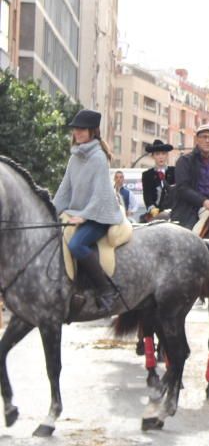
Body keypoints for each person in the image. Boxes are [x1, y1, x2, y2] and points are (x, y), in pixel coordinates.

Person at [52, 109, 124, 312]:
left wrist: (82, 216)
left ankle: (107, 289)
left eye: (82, 129)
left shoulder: (99, 157)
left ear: (93, 131)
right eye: (76, 129)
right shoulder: (74, 158)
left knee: (76, 245)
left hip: (100, 216)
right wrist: (50, 211)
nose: (78, 132)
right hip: (79, 214)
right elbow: (64, 190)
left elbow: (100, 195)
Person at [140, 139, 175, 220]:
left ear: (167, 155)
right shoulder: (147, 175)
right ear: (153, 156)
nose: (161, 157)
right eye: (157, 154)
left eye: (163, 153)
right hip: (155, 213)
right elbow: (147, 195)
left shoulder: (174, 171)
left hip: (173, 211)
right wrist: (152, 209)